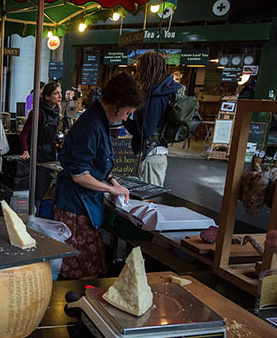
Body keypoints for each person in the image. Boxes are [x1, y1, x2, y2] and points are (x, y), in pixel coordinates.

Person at [53, 72, 143, 279]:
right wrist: (111, 189)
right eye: (127, 113)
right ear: (118, 105)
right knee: (80, 273)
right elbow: (79, 174)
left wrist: (112, 179)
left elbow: (96, 163)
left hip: (83, 203)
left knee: (88, 268)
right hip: (75, 206)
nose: (125, 118)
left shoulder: (99, 120)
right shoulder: (91, 125)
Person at [124, 50, 181, 187]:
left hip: (150, 156)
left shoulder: (154, 97)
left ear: (148, 71)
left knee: (149, 199)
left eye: (139, 70)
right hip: (155, 154)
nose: (137, 75)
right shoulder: (162, 92)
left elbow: (146, 131)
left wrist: (124, 119)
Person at [19, 82, 63, 207]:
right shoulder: (37, 113)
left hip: (49, 155)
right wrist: (25, 151)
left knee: (46, 187)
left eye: (60, 93)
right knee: (38, 189)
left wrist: (56, 144)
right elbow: (23, 134)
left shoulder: (56, 114)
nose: (60, 96)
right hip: (36, 156)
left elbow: (51, 135)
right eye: (56, 93)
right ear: (47, 97)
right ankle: (34, 214)